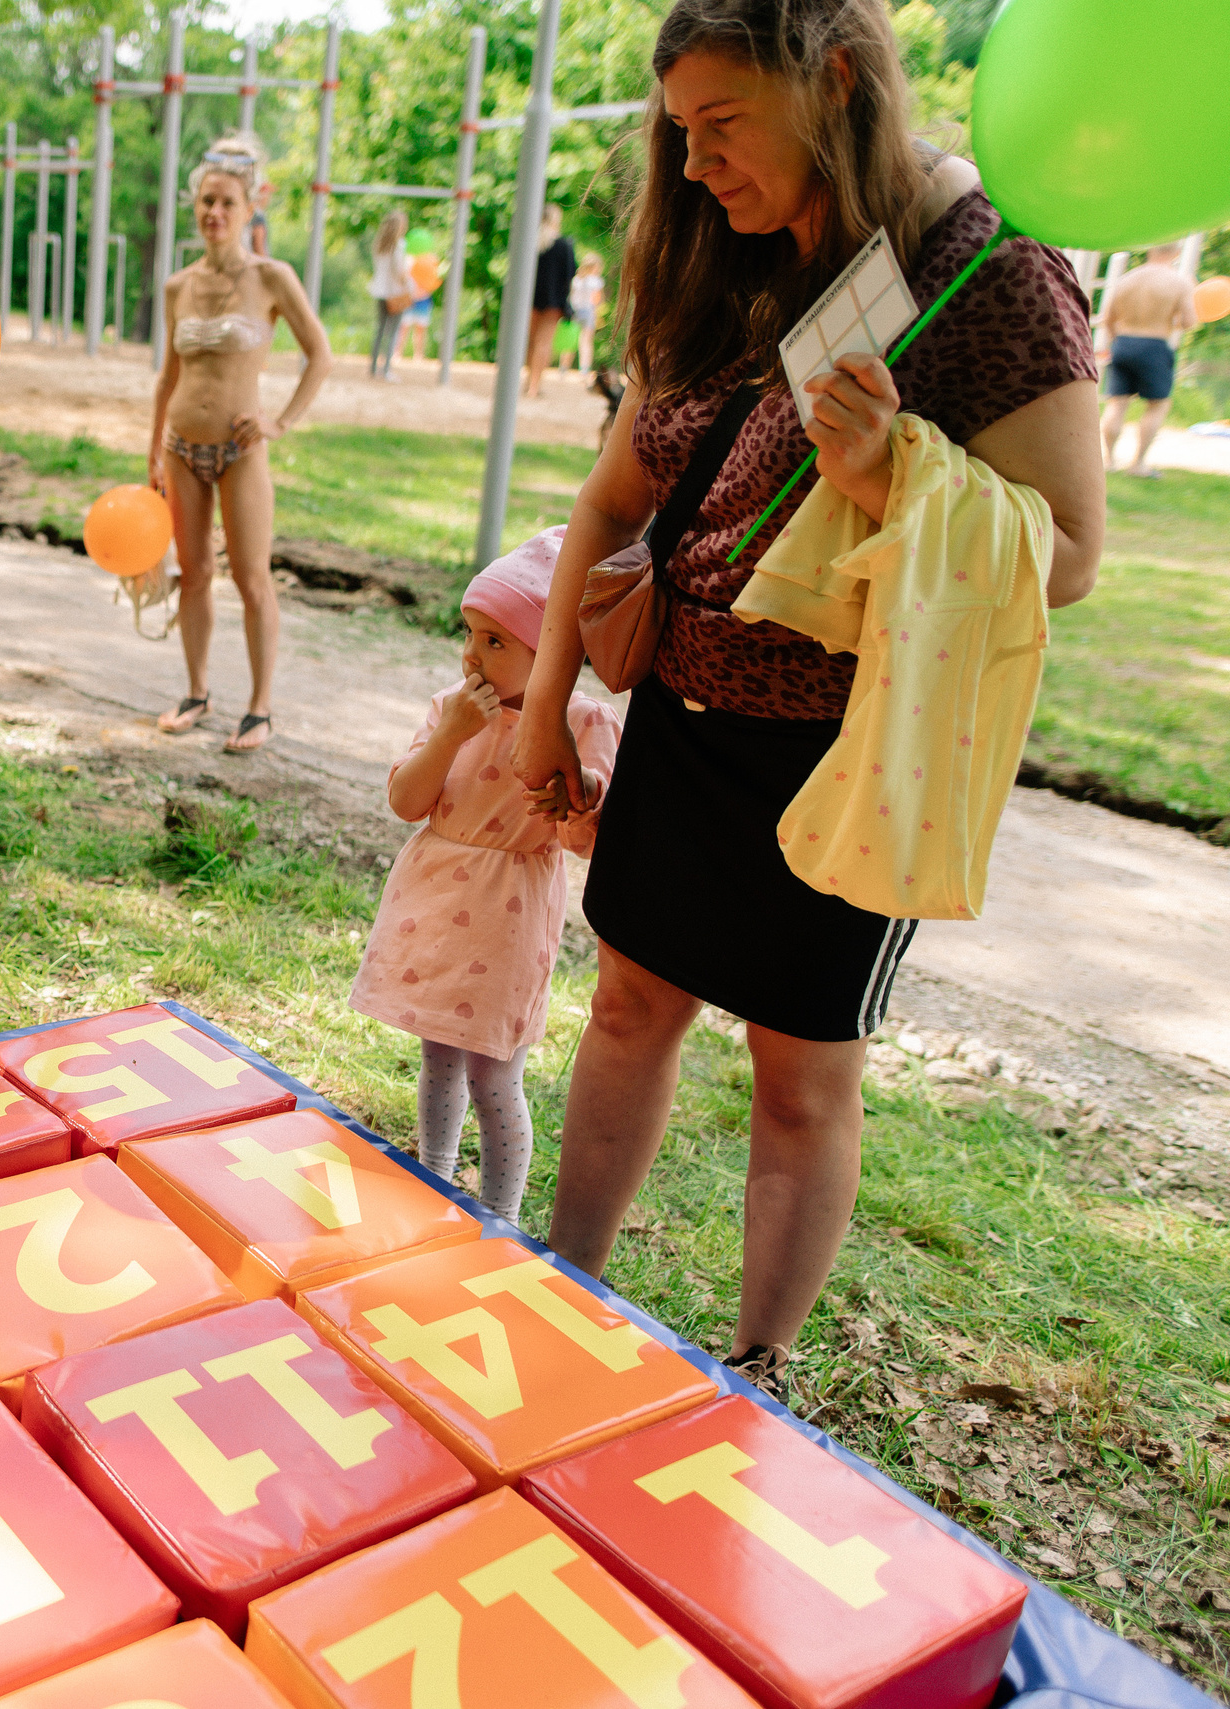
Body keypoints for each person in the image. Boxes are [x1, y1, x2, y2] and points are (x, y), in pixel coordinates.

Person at [510, 0, 1103, 1398]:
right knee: (628, 1010)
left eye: (722, 125)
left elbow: (1068, 554)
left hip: (850, 755)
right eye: (679, 132)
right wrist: (546, 707)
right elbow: (614, 494)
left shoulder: (993, 277)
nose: (696, 162)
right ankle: (563, 1287)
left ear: (834, 81)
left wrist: (902, 478)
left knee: (800, 1076)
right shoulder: (710, 253)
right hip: (681, 719)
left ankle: (752, 1372)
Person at [351, 530, 618, 1219]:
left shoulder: (583, 723)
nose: (473, 653)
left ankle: (501, 1214)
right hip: (436, 900)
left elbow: (584, 841)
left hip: (508, 915)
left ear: (551, 652)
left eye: (496, 641)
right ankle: (433, 1178)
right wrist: (449, 736)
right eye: (470, 633)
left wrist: (582, 788)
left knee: (494, 1073)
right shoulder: (450, 708)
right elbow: (407, 800)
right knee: (439, 1052)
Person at [148, 131, 333, 754]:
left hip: (240, 451)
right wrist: (152, 451)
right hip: (180, 448)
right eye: (205, 201)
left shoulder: (272, 278)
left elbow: (319, 355)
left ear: (250, 208)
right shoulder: (178, 287)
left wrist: (280, 422)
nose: (214, 213)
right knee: (194, 574)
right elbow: (167, 378)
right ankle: (197, 692)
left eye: (226, 202)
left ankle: (259, 708)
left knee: (253, 578)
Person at [1098, 240, 1195, 478]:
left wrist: (1115, 342)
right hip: (1154, 344)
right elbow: (1188, 322)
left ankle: (1109, 460)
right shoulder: (1179, 281)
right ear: (1177, 252)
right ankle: (1138, 464)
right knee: (1158, 404)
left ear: (1151, 249)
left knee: (1117, 403)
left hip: (1122, 342)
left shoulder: (1127, 279)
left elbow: (1107, 318)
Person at [524, 205, 575, 399]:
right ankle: (534, 387)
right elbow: (569, 274)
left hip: (530, 299)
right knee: (543, 343)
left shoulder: (531, 243)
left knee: (531, 342)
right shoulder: (563, 245)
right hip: (553, 302)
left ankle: (529, 382)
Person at [367, 209, 413, 379]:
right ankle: (386, 369)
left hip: (380, 291)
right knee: (393, 331)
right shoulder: (398, 245)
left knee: (380, 330)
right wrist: (408, 286)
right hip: (396, 293)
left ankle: (373, 367)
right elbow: (399, 271)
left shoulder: (379, 245)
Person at [568, 249, 605, 374]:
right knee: (586, 341)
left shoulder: (576, 279)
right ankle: (584, 368)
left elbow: (571, 296)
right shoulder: (596, 281)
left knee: (571, 340)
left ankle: (564, 367)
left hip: (574, 311)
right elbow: (597, 299)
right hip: (589, 312)